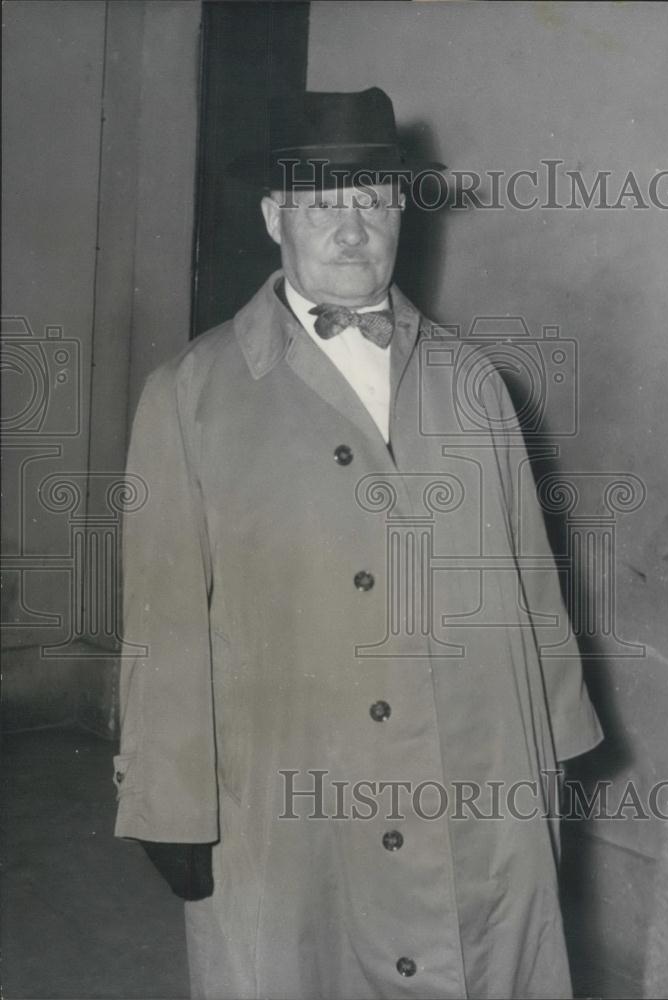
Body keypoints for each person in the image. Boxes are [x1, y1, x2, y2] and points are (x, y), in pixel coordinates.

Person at [113, 87, 603, 999]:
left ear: (400, 215)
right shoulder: (190, 394)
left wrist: (558, 743)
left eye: (372, 202)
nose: (351, 229)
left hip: (471, 769)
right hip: (294, 782)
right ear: (275, 218)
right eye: (321, 205)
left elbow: (530, 579)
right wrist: (166, 801)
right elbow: (164, 619)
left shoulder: (472, 381)